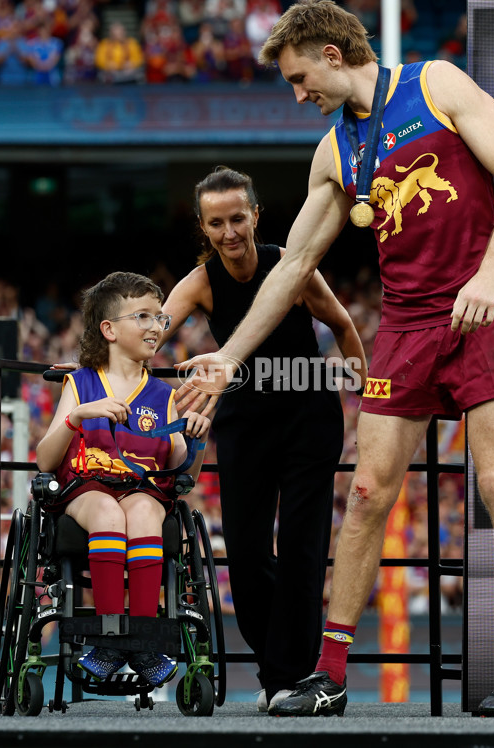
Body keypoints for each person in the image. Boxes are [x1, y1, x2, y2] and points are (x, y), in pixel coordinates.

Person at [174, 0, 494, 718]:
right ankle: (331, 674)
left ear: (333, 55)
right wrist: (228, 357)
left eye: (299, 76)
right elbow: (292, 268)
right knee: (369, 494)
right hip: (405, 326)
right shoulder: (334, 151)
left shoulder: (437, 85)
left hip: (484, 306)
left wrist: (486, 272)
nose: (298, 93)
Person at [159, 166, 367, 712]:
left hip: (309, 416)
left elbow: (343, 326)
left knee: (302, 551)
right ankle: (286, 670)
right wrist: (92, 363)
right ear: (203, 229)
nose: (229, 232)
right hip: (246, 421)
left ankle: (287, 681)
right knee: (247, 559)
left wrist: (367, 395)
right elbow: (150, 330)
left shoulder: (289, 266)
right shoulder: (201, 281)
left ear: (255, 215)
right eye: (215, 223)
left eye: (237, 218)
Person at [36, 271, 210, 687]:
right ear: (109, 329)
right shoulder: (79, 383)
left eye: (160, 319)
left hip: (143, 487)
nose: (157, 327)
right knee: (107, 513)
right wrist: (76, 417)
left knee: (146, 516)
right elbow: (44, 459)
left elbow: (184, 471)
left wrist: (194, 437)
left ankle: (145, 640)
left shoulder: (165, 394)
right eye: (144, 317)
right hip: (87, 486)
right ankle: (110, 639)